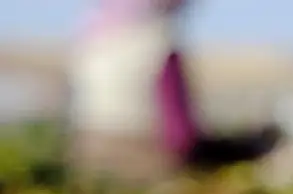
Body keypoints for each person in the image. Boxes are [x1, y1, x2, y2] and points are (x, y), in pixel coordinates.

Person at [68, 0, 280, 183]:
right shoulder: (157, 43)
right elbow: (180, 135)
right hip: (144, 167)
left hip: (87, 161)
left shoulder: (94, 38)